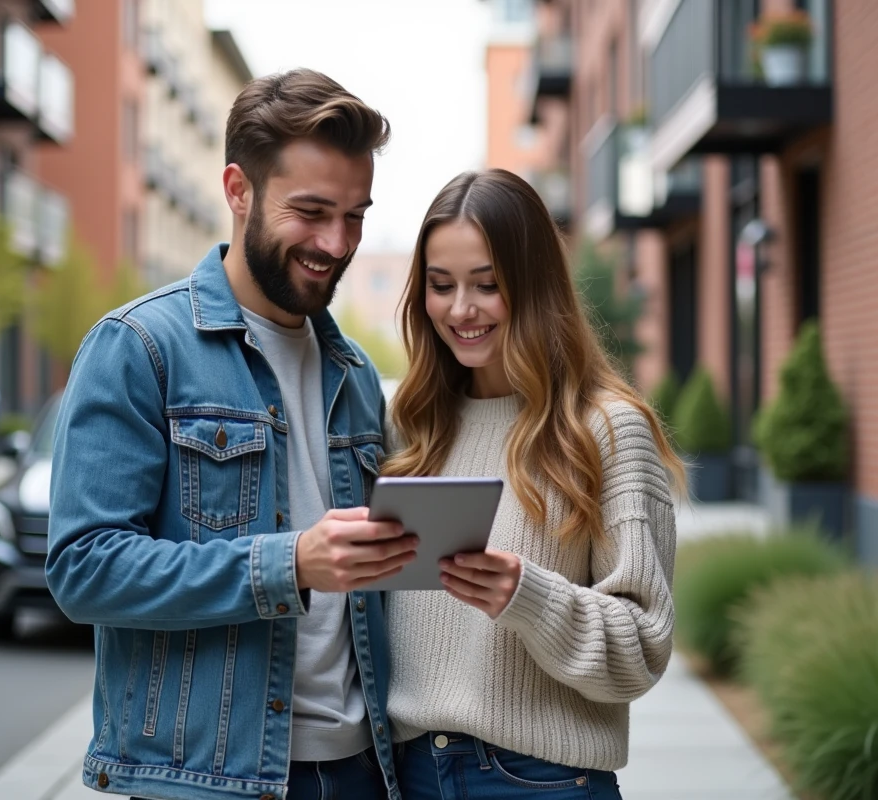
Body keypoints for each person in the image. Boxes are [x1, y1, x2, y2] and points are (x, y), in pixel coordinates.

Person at [46, 69, 417, 800]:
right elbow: (83, 569)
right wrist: (287, 564)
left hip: (362, 770)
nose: (335, 242)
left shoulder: (356, 373)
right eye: (311, 211)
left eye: (355, 216)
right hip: (209, 780)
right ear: (238, 191)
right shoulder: (140, 348)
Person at [383, 169, 684, 799]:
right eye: (441, 286)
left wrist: (529, 596)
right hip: (408, 775)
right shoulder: (408, 426)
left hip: (539, 780)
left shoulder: (606, 430)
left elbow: (643, 649)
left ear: (535, 287)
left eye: (488, 286)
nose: (461, 309)